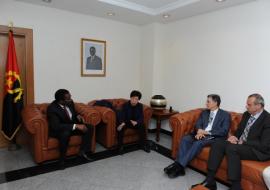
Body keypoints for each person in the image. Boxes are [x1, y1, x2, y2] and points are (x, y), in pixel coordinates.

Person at [191, 93, 270, 190]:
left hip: (257, 150)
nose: (246, 106)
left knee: (231, 148)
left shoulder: (267, 119)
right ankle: (210, 180)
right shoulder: (246, 114)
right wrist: (234, 137)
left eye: (249, 105)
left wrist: (243, 142)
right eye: (247, 104)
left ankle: (236, 186)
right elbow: (240, 131)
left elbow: (264, 145)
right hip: (241, 144)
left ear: (258, 106)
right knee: (218, 143)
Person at [164, 94, 231, 178]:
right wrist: (199, 131)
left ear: (215, 103)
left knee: (198, 143)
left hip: (213, 137)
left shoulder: (225, 115)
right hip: (200, 134)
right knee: (185, 139)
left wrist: (206, 132)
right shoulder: (204, 112)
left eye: (208, 102)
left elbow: (224, 131)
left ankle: (178, 165)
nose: (206, 104)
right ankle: (180, 168)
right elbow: (198, 124)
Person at [47, 89, 93, 168]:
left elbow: (73, 112)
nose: (71, 99)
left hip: (70, 126)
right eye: (68, 98)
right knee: (65, 133)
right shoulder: (52, 109)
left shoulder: (70, 103)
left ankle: (82, 152)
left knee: (90, 127)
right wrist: (76, 126)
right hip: (59, 130)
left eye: (70, 97)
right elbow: (56, 126)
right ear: (61, 101)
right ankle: (62, 160)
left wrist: (78, 115)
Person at [117, 90, 150, 154]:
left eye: (136, 99)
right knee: (121, 127)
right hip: (126, 122)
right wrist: (122, 123)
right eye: (133, 98)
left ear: (138, 100)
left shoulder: (140, 106)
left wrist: (137, 122)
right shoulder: (125, 105)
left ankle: (143, 145)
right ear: (130, 98)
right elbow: (122, 115)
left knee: (142, 125)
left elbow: (141, 117)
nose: (134, 100)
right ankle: (120, 147)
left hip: (134, 122)